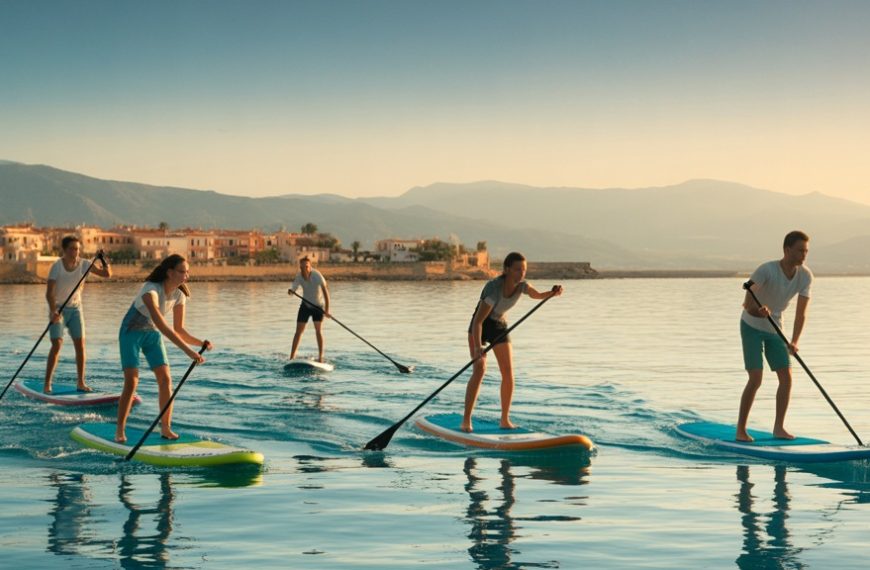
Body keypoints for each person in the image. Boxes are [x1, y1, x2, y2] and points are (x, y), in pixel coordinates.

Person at [461, 252, 562, 433]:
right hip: (481, 325)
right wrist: (478, 347)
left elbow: (537, 295)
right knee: (480, 369)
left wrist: (552, 293)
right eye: (517, 269)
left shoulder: (523, 286)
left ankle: (505, 420)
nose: (521, 273)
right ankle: (466, 421)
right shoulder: (494, 288)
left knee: (508, 372)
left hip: (499, 325)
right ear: (507, 270)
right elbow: (478, 322)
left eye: (523, 269)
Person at [115, 254, 211, 443]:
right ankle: (120, 430)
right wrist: (188, 351)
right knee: (132, 381)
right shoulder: (150, 290)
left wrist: (200, 343)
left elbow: (179, 329)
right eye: (182, 271)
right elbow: (161, 323)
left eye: (187, 272)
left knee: (165, 379)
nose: (186, 276)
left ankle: (165, 428)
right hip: (131, 333)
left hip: (152, 335)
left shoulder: (179, 295)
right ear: (169, 272)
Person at [736, 231, 812, 442]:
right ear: (787, 250)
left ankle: (779, 428)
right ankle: (740, 430)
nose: (803, 255)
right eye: (800, 250)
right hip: (751, 325)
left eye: (806, 251)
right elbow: (747, 303)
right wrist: (757, 311)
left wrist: (795, 341)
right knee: (756, 378)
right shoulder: (766, 270)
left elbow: (801, 313)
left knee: (786, 378)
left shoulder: (805, 276)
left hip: (775, 328)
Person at [44, 236, 112, 394]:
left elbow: (107, 274)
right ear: (64, 250)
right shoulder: (56, 267)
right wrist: (54, 311)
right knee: (57, 344)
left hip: (76, 309)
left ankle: (81, 383)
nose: (76, 251)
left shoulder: (85, 265)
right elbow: (49, 293)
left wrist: (102, 259)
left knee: (80, 345)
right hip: (58, 309)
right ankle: (47, 384)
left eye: (77, 248)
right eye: (72, 248)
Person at [287, 256, 331, 362]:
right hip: (305, 306)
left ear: (310, 267)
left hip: (318, 307)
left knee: (318, 331)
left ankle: (320, 358)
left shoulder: (317, 275)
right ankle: (292, 357)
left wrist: (327, 310)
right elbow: (294, 287)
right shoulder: (299, 276)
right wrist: (291, 291)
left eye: (306, 267)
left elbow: (326, 293)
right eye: (302, 267)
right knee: (298, 332)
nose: (304, 269)